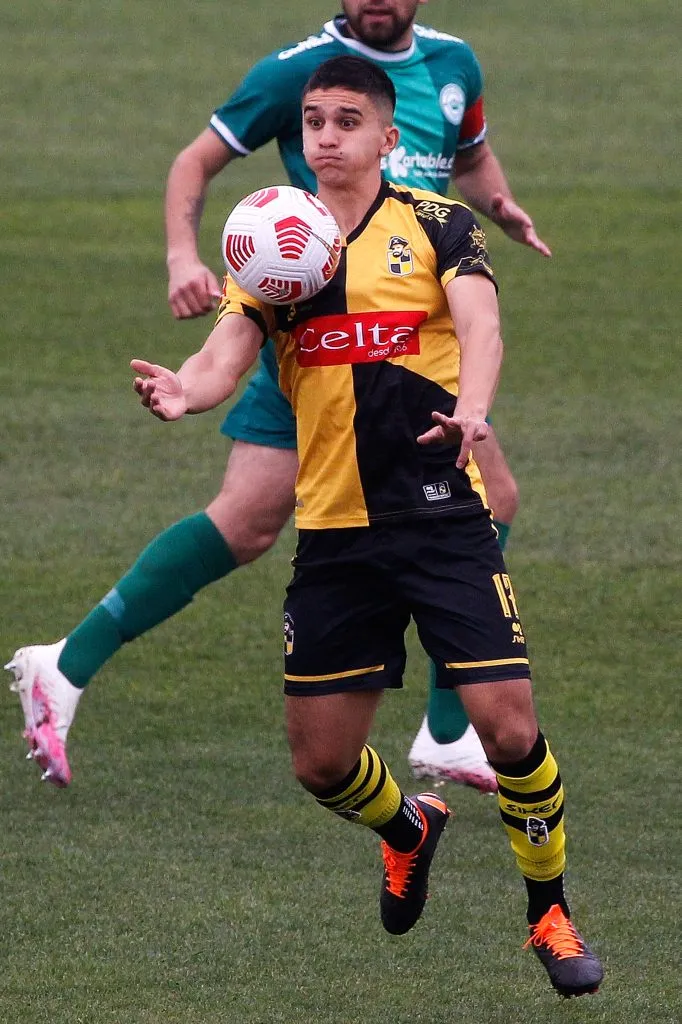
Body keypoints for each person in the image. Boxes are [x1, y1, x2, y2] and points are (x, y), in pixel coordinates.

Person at [130, 55, 603, 998]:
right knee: (321, 764)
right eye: (312, 121)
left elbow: (482, 327)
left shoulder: (437, 224)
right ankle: (407, 827)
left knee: (509, 732)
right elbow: (226, 352)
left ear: (390, 137)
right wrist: (189, 391)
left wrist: (473, 409)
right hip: (337, 532)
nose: (325, 136)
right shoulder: (276, 239)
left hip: (442, 520)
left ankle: (547, 911)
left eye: (348, 120)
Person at [6, 0, 551, 789]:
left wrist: (496, 203)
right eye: (317, 125)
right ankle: (446, 731)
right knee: (474, 497)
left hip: (410, 296)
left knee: (257, 518)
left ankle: (67, 662)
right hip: (308, 309)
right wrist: (178, 262)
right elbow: (194, 161)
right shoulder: (297, 72)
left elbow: (466, 156)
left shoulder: (453, 63)